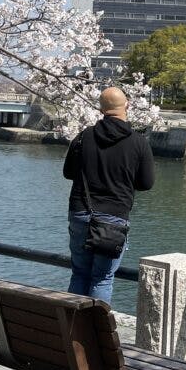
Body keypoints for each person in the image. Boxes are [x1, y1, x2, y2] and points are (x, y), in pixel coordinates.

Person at [62, 87, 154, 303]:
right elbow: (146, 183)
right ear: (127, 105)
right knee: (102, 278)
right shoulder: (138, 142)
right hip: (114, 217)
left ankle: (73, 322)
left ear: (101, 109)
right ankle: (95, 325)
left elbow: (68, 173)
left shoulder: (83, 137)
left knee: (79, 273)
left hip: (81, 213)